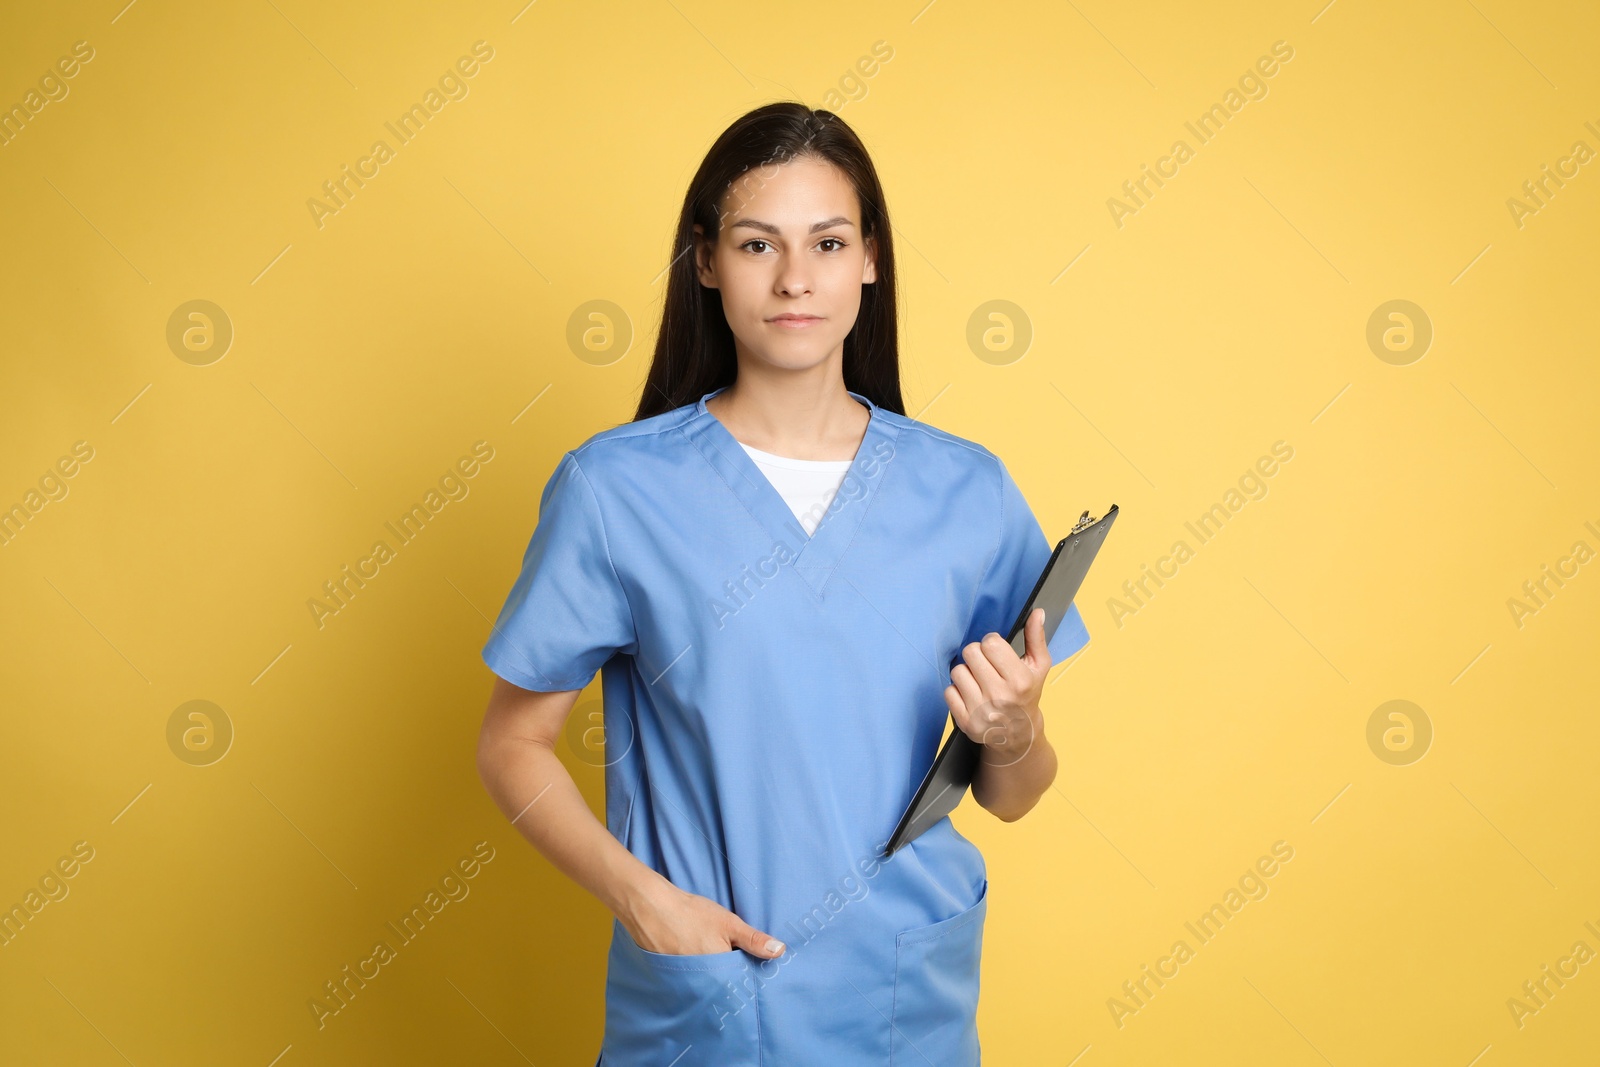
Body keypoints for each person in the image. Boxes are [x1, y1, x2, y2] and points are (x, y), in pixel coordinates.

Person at [475, 101, 1090, 1066]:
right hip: (705, 1003)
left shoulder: (965, 490)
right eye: (758, 243)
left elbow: (1013, 795)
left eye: (829, 242)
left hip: (900, 995)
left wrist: (1015, 733)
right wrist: (642, 898)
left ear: (870, 260)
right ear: (708, 261)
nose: (796, 278)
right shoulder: (616, 489)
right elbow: (512, 742)